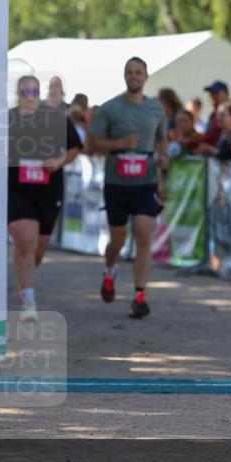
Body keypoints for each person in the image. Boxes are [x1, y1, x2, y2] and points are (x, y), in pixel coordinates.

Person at [88, 56, 168, 319]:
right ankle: (109, 270)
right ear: (124, 76)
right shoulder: (111, 109)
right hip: (117, 184)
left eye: (138, 72)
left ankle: (139, 295)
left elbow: (162, 142)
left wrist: (163, 174)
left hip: (146, 182)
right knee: (118, 239)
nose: (134, 76)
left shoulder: (156, 109)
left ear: (146, 76)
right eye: (129, 72)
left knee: (145, 235)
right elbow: (92, 145)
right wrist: (120, 144)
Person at [7, 75, 82, 321]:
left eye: (34, 90)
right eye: (25, 90)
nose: (30, 94)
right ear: (18, 93)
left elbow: (75, 147)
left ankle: (24, 281)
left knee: (37, 250)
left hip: (48, 191)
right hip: (17, 190)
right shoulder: (7, 119)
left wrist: (59, 161)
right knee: (25, 241)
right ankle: (29, 302)